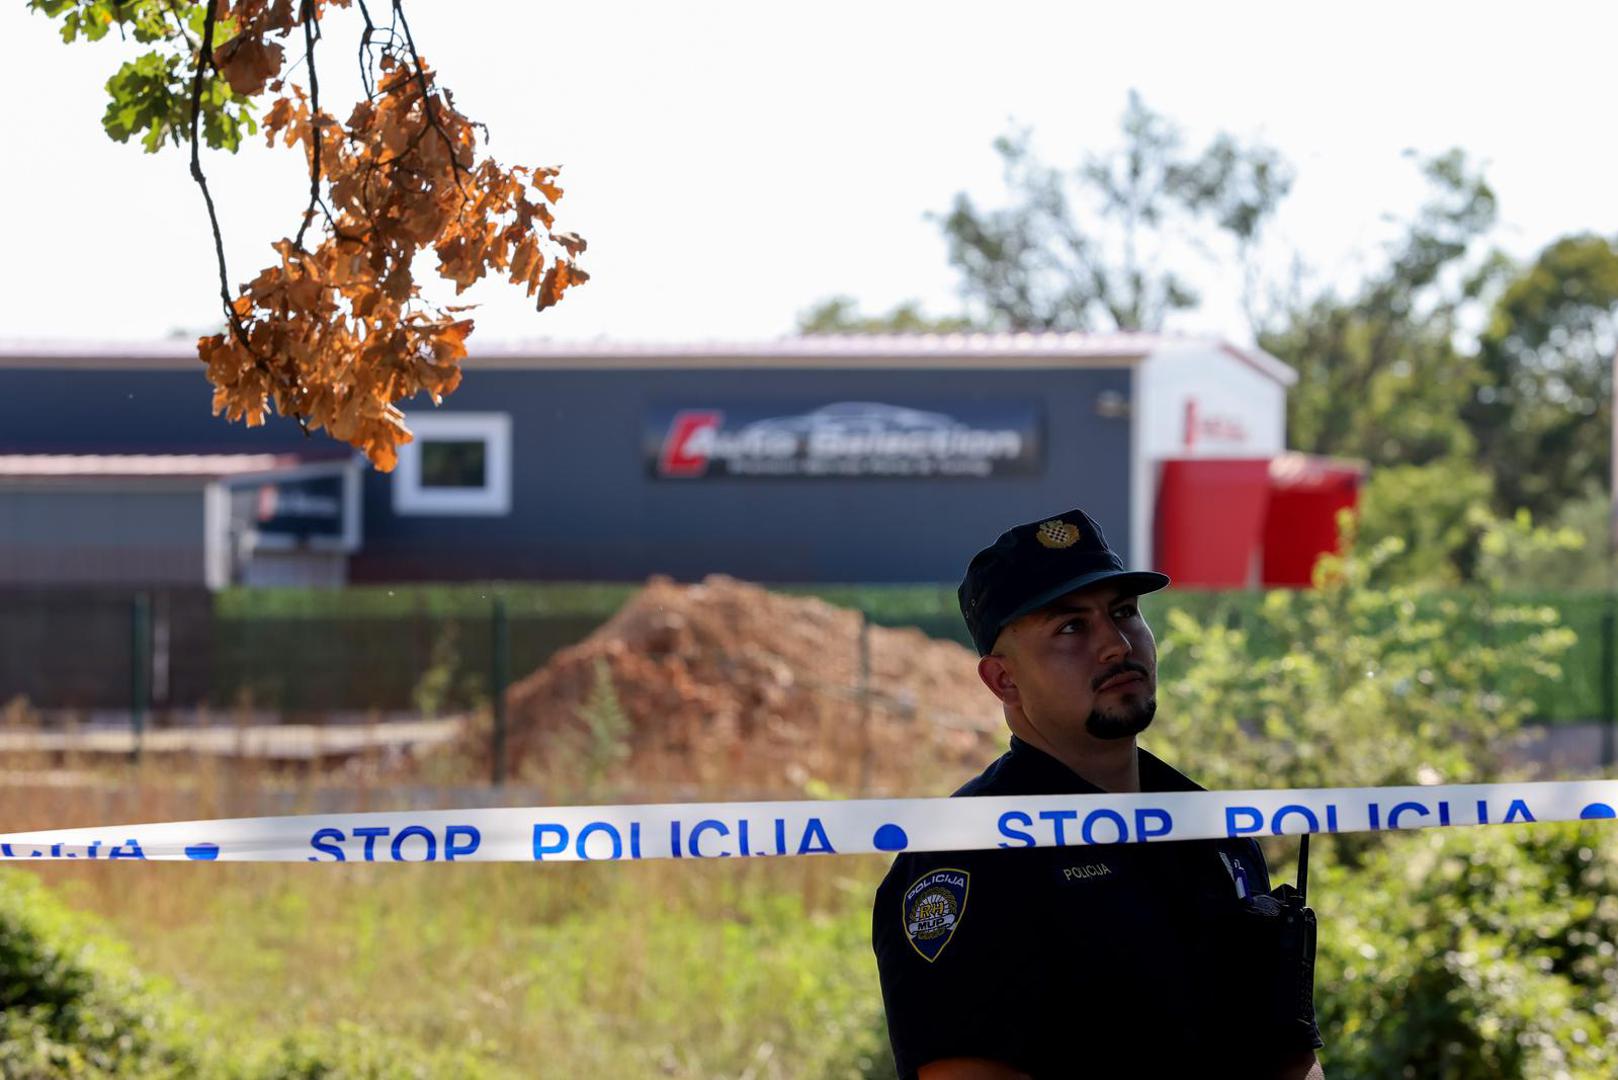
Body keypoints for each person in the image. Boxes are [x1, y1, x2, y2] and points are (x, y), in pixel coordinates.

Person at [871, 508, 1324, 1080]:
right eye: (1070, 627)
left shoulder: (1212, 827)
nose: (1115, 644)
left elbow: (1286, 1053)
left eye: (1124, 612)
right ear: (1003, 680)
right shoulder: (966, 854)